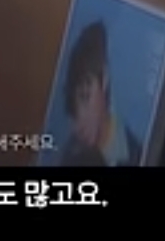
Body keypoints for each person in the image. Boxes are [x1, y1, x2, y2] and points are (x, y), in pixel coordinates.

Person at [59, 21, 143, 166]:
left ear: (104, 80)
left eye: (85, 97)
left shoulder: (137, 155)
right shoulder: (69, 154)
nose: (79, 122)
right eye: (73, 106)